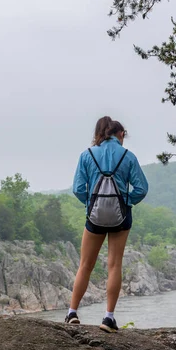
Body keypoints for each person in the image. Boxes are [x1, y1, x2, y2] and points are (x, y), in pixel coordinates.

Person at [65, 116, 148, 332]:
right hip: (121, 217)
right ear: (120, 134)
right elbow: (141, 189)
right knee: (114, 265)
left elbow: (78, 188)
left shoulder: (87, 155)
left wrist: (90, 204)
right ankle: (108, 317)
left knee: (85, 265)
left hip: (94, 216)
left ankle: (72, 312)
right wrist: (126, 202)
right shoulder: (128, 157)